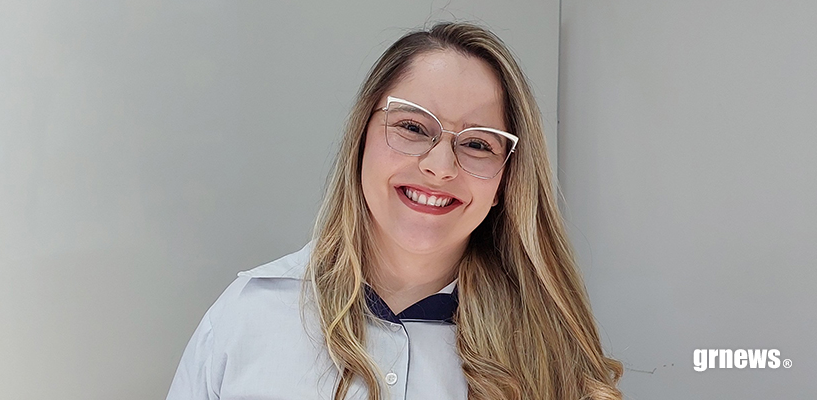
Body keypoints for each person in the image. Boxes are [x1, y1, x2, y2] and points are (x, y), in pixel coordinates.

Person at [167, 22, 622, 400]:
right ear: (361, 137)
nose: (440, 166)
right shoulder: (247, 316)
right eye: (412, 126)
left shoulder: (552, 354)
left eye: (478, 144)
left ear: (506, 181)